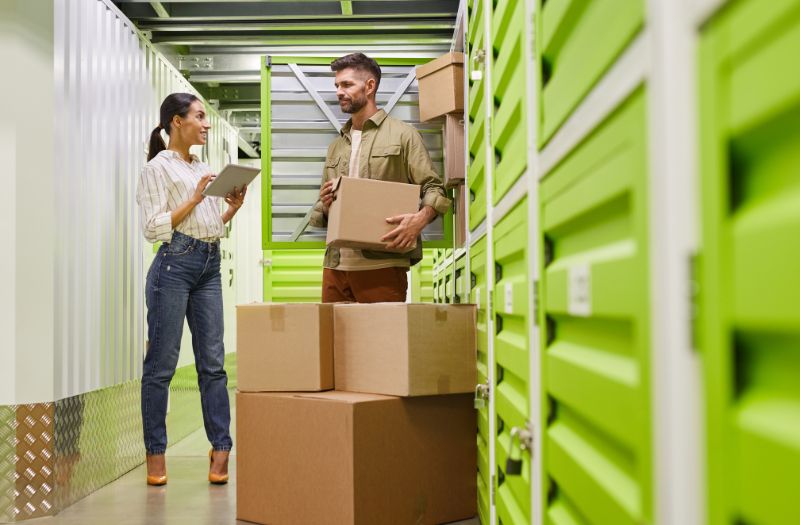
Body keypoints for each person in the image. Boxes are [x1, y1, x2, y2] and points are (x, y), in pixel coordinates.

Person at [136, 93, 246, 486]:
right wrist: (195, 197)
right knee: (161, 367)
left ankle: (220, 449)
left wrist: (230, 207)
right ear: (176, 122)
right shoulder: (157, 168)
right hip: (173, 267)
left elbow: (210, 222)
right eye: (200, 116)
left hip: (209, 265)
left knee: (212, 365)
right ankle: (155, 454)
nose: (206, 123)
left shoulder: (204, 166)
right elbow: (153, 227)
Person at [310, 53, 451, 303]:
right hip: (335, 265)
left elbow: (434, 188)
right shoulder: (336, 146)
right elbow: (327, 206)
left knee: (382, 342)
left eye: (347, 84)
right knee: (334, 342)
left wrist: (420, 219)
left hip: (382, 264)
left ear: (370, 86)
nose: (339, 92)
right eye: (337, 86)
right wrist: (326, 203)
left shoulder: (403, 135)